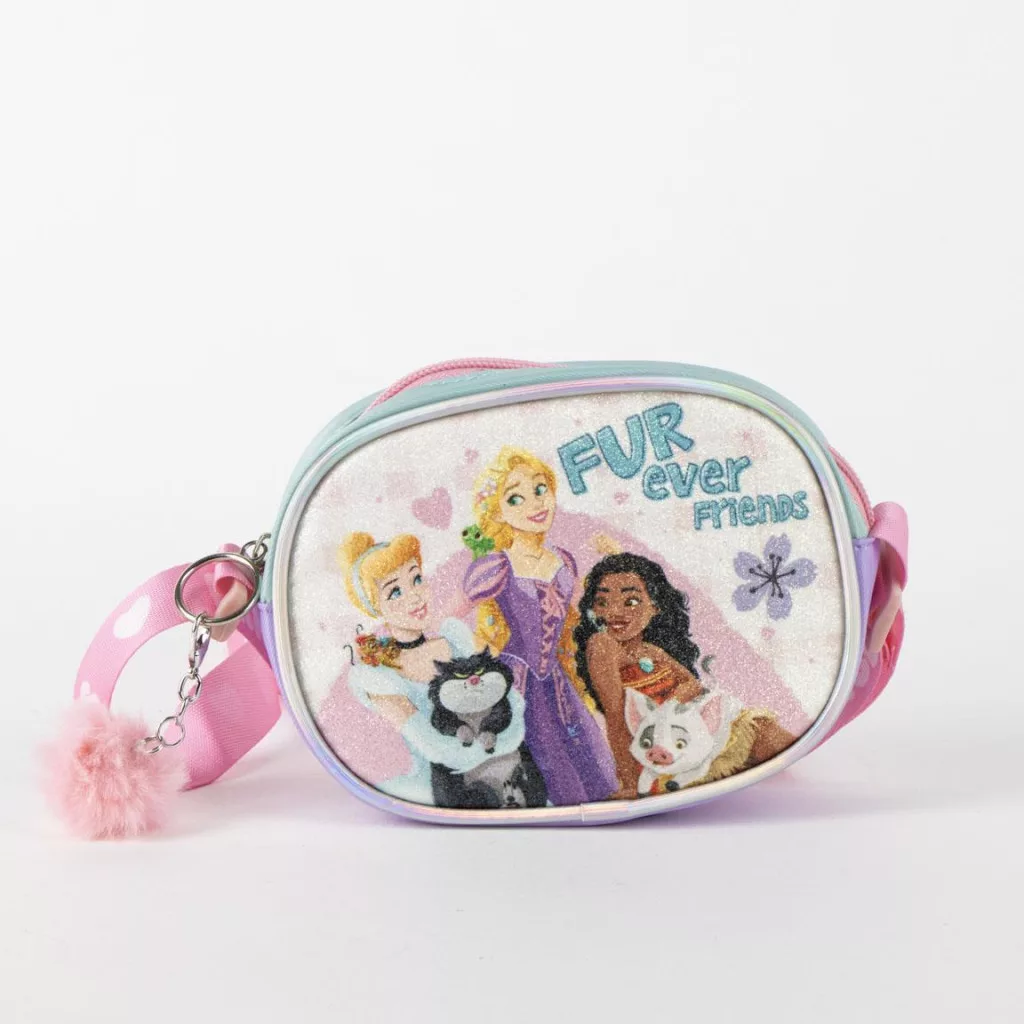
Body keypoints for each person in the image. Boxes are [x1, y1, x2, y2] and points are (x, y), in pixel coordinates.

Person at [463, 448, 618, 805]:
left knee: (587, 754)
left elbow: (582, 613)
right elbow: (450, 616)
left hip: (559, 681)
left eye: (540, 489)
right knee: (543, 758)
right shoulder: (496, 566)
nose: (535, 503)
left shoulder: (564, 560)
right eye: (515, 498)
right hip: (516, 682)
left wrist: (612, 560)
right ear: (497, 513)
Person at [339, 531, 525, 805]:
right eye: (395, 592)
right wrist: (493, 745)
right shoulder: (380, 676)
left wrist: (501, 742)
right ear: (375, 607)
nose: (415, 597)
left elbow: (512, 704)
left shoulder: (455, 639)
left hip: (509, 772)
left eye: (416, 579)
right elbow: (434, 747)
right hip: (444, 789)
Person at [573, 553, 705, 797]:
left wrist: (668, 707)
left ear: (655, 607)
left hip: (684, 739)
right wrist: (631, 784)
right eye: (602, 602)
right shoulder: (603, 645)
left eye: (631, 601)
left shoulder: (651, 651)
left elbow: (693, 684)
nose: (614, 612)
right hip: (651, 756)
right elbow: (616, 718)